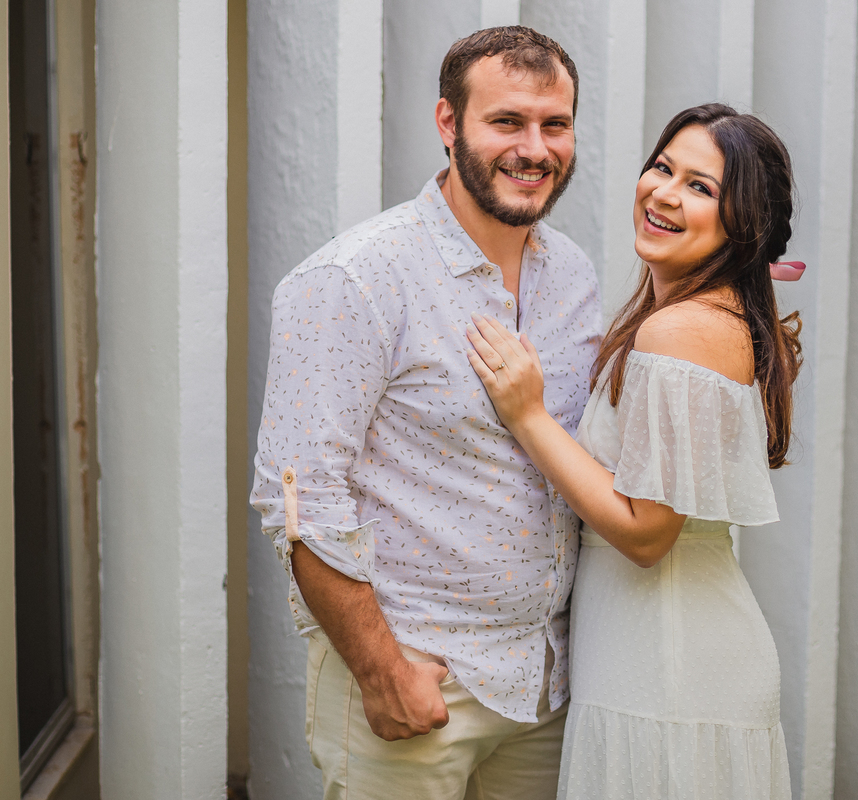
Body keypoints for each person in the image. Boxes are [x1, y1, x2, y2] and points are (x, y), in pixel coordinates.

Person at [253, 27, 603, 799]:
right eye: (506, 122)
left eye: (556, 124)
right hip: (420, 682)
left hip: (547, 687)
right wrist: (383, 672)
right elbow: (301, 499)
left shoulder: (574, 276)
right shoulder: (355, 278)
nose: (535, 148)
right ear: (449, 125)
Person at [466, 103, 801, 799]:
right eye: (663, 168)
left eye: (701, 188)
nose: (665, 193)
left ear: (745, 224)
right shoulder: (703, 313)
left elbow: (648, 533)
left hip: (668, 663)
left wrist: (527, 415)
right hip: (653, 651)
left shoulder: (681, 331)